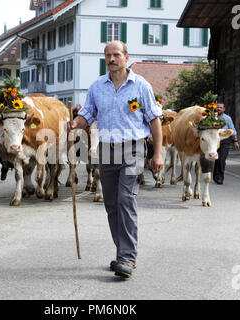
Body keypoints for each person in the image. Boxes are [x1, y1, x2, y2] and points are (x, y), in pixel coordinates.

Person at [68, 40, 164, 279]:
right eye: (108, 55)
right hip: (107, 150)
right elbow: (86, 115)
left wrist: (159, 153)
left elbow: (154, 121)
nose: (112, 59)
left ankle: (127, 258)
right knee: (111, 204)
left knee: (125, 200)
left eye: (116, 55)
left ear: (126, 57)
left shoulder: (141, 86)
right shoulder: (97, 87)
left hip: (133, 149)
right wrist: (75, 125)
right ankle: (122, 251)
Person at [213, 101, 240, 185]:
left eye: (220, 107)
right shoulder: (212, 117)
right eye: (217, 107)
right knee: (216, 159)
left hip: (225, 141)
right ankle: (215, 176)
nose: (219, 109)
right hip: (214, 141)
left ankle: (220, 177)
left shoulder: (227, 118)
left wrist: (235, 141)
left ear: (224, 109)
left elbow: (232, 130)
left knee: (222, 159)